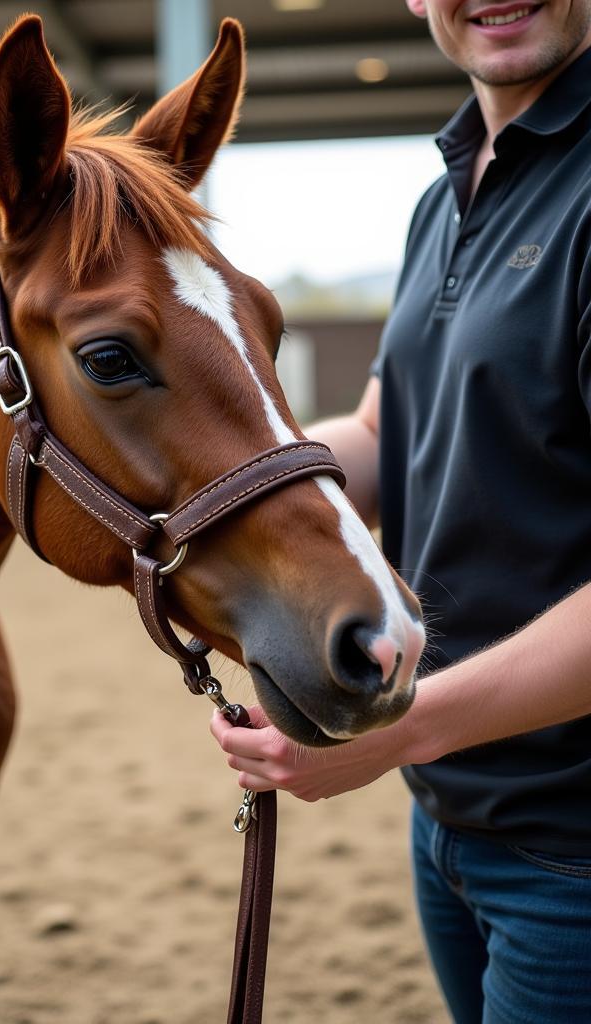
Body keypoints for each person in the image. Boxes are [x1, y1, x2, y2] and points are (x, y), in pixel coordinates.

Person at [210, 2, 591, 1021]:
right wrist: (202, 493)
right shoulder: (443, 198)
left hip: (571, 851)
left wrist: (397, 732)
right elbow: (385, 433)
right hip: (452, 821)